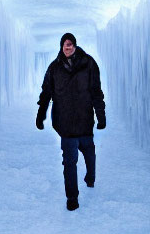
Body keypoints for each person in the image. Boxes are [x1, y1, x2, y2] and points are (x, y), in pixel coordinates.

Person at [36, 32, 106, 211]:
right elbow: (46, 93)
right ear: (61, 47)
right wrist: (41, 113)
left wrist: (100, 114)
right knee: (69, 161)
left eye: (70, 44)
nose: (67, 47)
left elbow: (96, 91)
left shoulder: (89, 64)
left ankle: (90, 177)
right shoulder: (54, 68)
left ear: (75, 45)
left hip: (84, 121)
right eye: (65, 45)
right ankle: (72, 198)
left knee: (89, 153)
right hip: (65, 123)